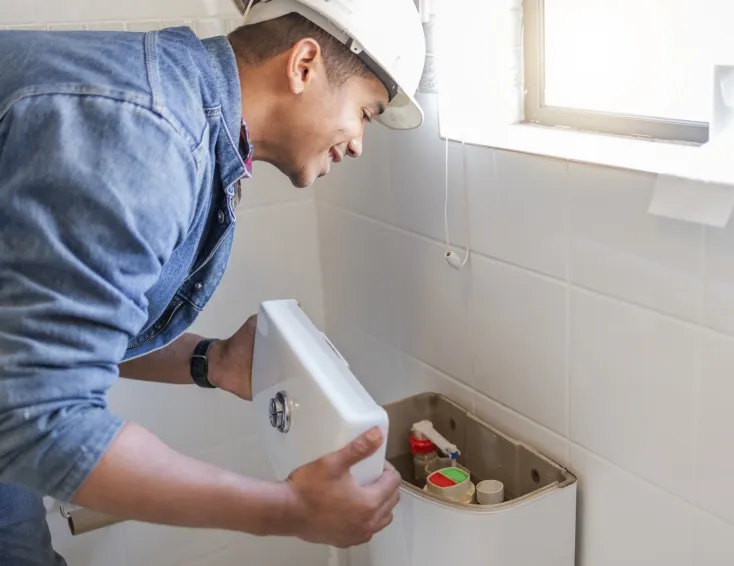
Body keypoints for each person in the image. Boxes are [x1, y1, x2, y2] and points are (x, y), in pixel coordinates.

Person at [0, 0, 426, 563]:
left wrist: (212, 360)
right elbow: (39, 415)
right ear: (303, 65)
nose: (357, 144)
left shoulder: (181, 108)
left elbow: (42, 336)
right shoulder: (148, 134)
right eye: (366, 114)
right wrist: (291, 511)